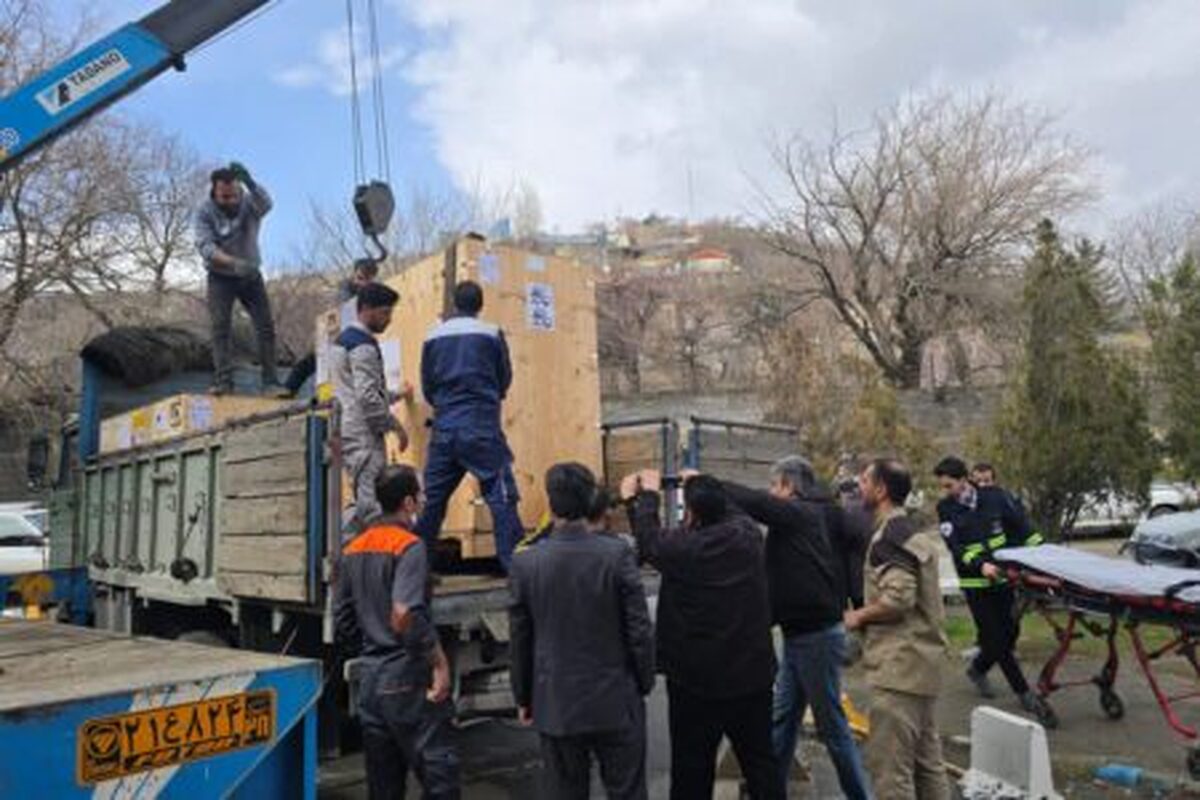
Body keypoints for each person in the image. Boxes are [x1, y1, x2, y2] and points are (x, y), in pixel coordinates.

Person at [718, 459, 872, 800]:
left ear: (789, 486)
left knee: (832, 727)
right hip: (800, 634)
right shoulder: (820, 513)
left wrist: (709, 484)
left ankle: (860, 795)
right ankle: (768, 790)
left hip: (816, 636)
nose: (772, 492)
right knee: (784, 717)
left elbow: (758, 503)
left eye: (775, 486)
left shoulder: (802, 513)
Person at [622, 469, 779, 800]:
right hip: (751, 679)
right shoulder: (748, 535)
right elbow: (728, 509)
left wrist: (643, 497)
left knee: (691, 769)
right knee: (761, 764)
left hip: (695, 685)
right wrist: (706, 483)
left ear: (690, 513)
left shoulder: (683, 550)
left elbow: (648, 542)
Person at [508, 463, 655, 800]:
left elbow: (521, 639)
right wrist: (643, 681)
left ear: (551, 503)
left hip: (556, 703)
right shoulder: (616, 554)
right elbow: (639, 629)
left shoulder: (526, 563)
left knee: (565, 791)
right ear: (590, 499)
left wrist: (524, 697)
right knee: (628, 790)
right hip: (616, 698)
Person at [334, 465, 459, 800]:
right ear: (408, 503)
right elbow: (404, 613)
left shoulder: (354, 548)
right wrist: (438, 662)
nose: (424, 500)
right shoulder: (409, 547)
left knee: (383, 787)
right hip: (407, 677)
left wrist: (371, 647)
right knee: (440, 781)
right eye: (420, 494)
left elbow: (342, 617)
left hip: (372, 682)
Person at [844, 459, 950, 800]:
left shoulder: (888, 538)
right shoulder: (913, 531)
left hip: (897, 671)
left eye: (864, 481)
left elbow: (898, 599)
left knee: (891, 772)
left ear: (881, 490)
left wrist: (858, 617)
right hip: (923, 665)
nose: (858, 487)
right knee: (928, 764)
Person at [415, 280, 523, 571]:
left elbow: (427, 385)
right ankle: (515, 569)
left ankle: (417, 569)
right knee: (501, 497)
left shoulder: (433, 336)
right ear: (480, 304)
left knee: (431, 502)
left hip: (444, 428)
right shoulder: (491, 333)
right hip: (481, 428)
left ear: (454, 304)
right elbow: (504, 378)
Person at [934, 456, 1046, 716]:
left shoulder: (994, 497)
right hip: (975, 582)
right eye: (943, 486)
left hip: (1002, 577)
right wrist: (980, 564)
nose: (946, 491)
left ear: (964, 479)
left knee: (1011, 631)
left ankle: (978, 668)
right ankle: (1024, 692)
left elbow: (1021, 527)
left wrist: (1043, 552)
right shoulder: (945, 508)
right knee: (997, 639)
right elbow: (955, 546)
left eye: (949, 485)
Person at [194, 162, 280, 396]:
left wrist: (251, 183)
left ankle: (271, 382)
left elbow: (267, 204)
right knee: (220, 327)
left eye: (234, 195)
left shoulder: (249, 203)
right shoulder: (204, 213)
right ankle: (224, 382)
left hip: (251, 275)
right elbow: (206, 247)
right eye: (224, 197)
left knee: (265, 326)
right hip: (220, 277)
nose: (231, 201)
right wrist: (232, 263)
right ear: (214, 193)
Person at [331, 283, 409, 527]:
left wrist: (397, 395)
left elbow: (360, 390)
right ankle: (371, 550)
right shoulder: (362, 346)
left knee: (365, 501)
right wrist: (395, 426)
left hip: (349, 430)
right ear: (366, 309)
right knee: (372, 507)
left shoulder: (342, 341)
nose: (389, 319)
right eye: (385, 312)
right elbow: (367, 397)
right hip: (363, 436)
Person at [282, 258, 381, 398]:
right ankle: (289, 390)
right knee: (311, 363)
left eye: (367, 280)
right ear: (354, 274)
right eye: (360, 278)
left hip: (356, 340)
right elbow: (341, 307)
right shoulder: (346, 287)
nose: (363, 283)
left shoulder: (374, 292)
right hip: (336, 334)